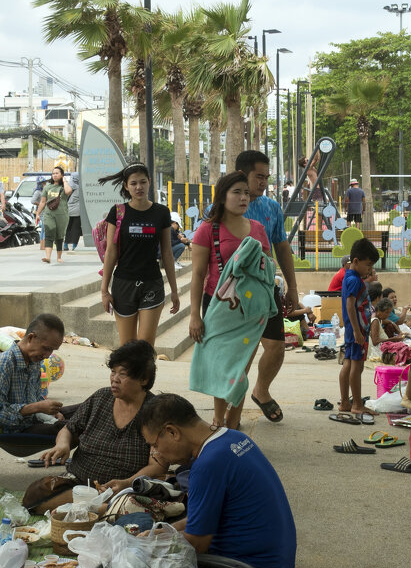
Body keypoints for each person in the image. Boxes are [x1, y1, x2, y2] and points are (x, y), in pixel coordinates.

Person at [140, 393, 296, 568]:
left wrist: (148, 549)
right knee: (152, 536)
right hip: (277, 567)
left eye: (155, 445)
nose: (156, 453)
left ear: (171, 432)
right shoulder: (235, 438)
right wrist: (163, 531)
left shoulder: (206, 466)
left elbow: (196, 544)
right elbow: (204, 517)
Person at [31, 340, 167, 514]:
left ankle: (89, 509)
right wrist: (62, 445)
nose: (114, 379)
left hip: (122, 490)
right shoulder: (101, 398)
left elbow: (158, 465)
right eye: (113, 372)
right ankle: (93, 509)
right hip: (80, 483)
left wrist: (126, 482)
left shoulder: (154, 412)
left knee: (131, 506)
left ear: (144, 379)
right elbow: (68, 429)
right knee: (35, 494)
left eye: (122, 374)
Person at [188, 170, 272, 429]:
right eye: (237, 192)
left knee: (239, 368)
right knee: (221, 366)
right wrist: (194, 315)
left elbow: (267, 269)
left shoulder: (258, 229)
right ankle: (217, 420)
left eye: (246, 192)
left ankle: (233, 423)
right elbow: (198, 274)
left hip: (249, 311)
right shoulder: (206, 230)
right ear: (222, 197)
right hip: (217, 306)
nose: (244, 197)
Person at [234, 150, 300, 425]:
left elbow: (282, 248)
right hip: (237, 290)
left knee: (276, 346)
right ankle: (229, 413)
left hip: (267, 287)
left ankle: (261, 391)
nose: (263, 182)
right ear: (241, 175)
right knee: (243, 354)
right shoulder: (226, 206)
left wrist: (292, 288)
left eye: (266, 177)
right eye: (258, 177)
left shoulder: (272, 208)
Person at [99, 162, 180, 346]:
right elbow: (110, 252)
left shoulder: (161, 212)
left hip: (152, 283)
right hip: (123, 284)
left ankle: (144, 376)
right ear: (126, 186)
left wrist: (174, 291)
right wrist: (104, 290)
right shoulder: (118, 212)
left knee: (145, 345)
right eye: (133, 183)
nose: (139, 187)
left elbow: (167, 253)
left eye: (143, 182)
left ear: (149, 182)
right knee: (127, 345)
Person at [0, 314, 66, 435]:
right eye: (46, 348)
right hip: (15, 429)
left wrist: (52, 412)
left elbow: (36, 397)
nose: (48, 355)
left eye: (52, 350)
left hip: (35, 418)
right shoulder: (5, 363)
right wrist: (37, 407)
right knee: (69, 429)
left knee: (84, 411)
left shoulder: (35, 361)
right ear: (31, 338)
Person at [337, 238, 379, 420]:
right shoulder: (355, 281)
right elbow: (350, 305)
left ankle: (346, 401)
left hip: (352, 328)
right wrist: (356, 330)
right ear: (356, 261)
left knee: (348, 363)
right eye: (368, 265)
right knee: (357, 366)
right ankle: (356, 404)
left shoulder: (349, 276)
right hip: (357, 329)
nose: (370, 270)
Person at [37, 166, 72, 263]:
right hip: (49, 214)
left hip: (62, 215)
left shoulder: (64, 186)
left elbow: (68, 191)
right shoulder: (47, 187)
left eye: (57, 173)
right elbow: (43, 202)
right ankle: (48, 257)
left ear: (61, 175)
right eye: (53, 173)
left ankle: (59, 257)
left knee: (59, 235)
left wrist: (65, 181)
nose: (55, 175)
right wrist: (38, 213)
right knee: (49, 232)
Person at [65, 171, 83, 250]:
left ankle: (65, 245)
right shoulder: (81, 188)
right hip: (77, 212)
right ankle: (74, 245)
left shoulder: (68, 187)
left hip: (68, 211)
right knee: (76, 229)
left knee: (68, 228)